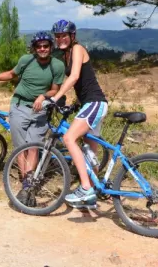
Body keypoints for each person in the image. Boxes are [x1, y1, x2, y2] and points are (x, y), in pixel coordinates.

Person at [0, 31, 65, 206]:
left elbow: (56, 89)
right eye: (38, 46)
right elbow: (11, 74)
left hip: (40, 109)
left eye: (46, 46)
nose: (42, 49)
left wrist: (43, 96)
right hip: (20, 106)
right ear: (34, 48)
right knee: (21, 147)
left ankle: (28, 185)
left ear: (50, 47)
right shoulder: (27, 60)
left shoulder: (57, 65)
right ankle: (27, 183)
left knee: (33, 147)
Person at [43, 20, 108, 208]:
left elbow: (75, 77)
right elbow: (84, 84)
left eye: (64, 35)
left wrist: (56, 98)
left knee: (69, 138)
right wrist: (74, 103)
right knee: (90, 152)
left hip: (95, 103)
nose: (60, 39)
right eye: (57, 36)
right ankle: (93, 192)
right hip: (90, 104)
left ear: (72, 36)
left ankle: (86, 188)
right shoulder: (66, 55)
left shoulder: (78, 49)